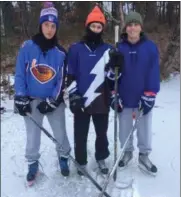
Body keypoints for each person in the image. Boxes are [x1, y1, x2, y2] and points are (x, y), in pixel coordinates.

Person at [14, 2, 71, 182]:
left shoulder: (61, 52)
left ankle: (63, 157)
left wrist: (53, 100)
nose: (49, 29)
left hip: (53, 101)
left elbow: (62, 79)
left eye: (53, 25)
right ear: (41, 25)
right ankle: (32, 163)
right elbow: (20, 74)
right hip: (31, 99)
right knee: (32, 135)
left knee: (60, 132)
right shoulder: (27, 47)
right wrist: (21, 98)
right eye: (46, 25)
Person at [66, 6, 122, 175]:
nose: (96, 30)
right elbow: (70, 74)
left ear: (102, 29)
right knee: (80, 134)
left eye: (99, 27)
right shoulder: (76, 48)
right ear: (87, 26)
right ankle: (81, 161)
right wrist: (73, 95)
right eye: (93, 26)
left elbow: (112, 80)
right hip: (82, 98)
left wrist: (116, 66)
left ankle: (101, 157)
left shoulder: (108, 50)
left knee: (101, 133)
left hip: (101, 98)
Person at [109, 11, 160, 174]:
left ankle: (144, 155)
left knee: (144, 129)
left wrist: (150, 95)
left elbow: (153, 72)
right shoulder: (118, 48)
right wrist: (113, 94)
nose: (132, 28)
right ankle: (127, 153)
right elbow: (111, 76)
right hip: (124, 97)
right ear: (125, 28)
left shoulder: (150, 47)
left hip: (142, 98)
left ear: (140, 27)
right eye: (129, 25)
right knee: (124, 130)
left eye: (135, 24)